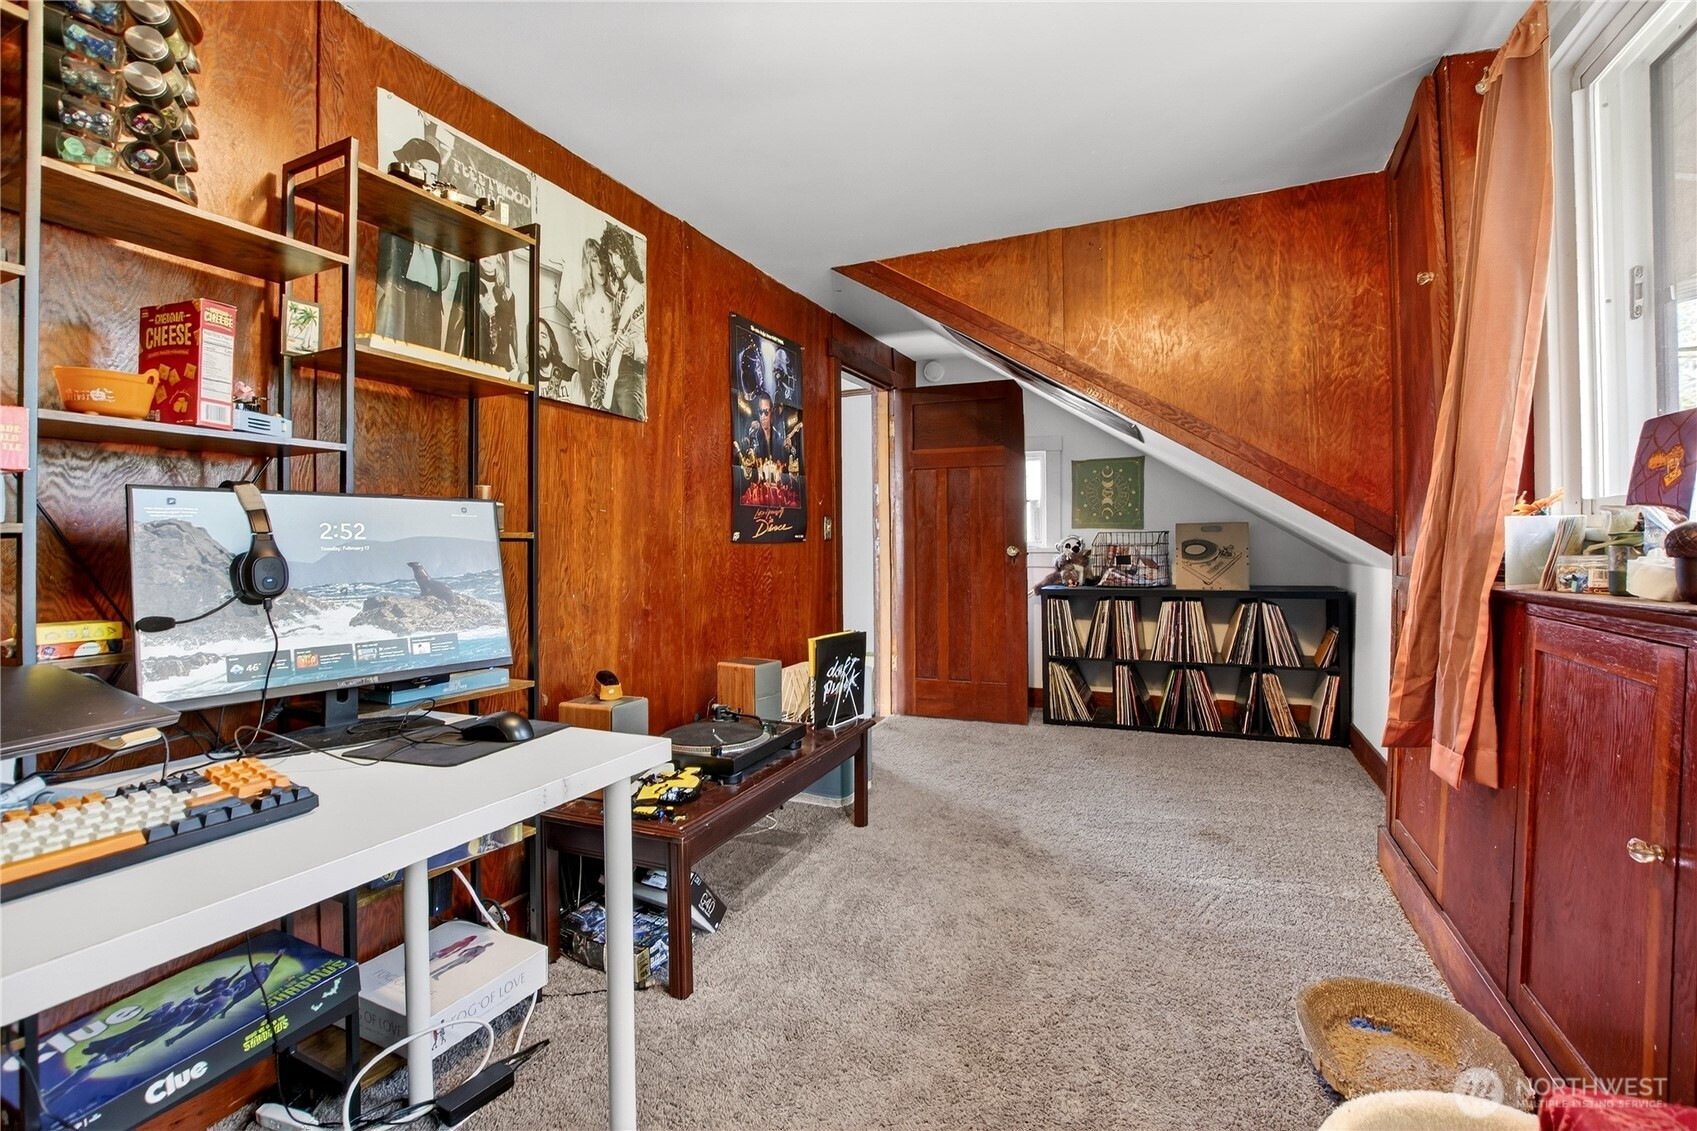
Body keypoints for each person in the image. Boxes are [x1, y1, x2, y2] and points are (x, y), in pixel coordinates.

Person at [376, 124, 456, 348]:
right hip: (403, 298)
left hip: (430, 305)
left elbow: (442, 283)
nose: (427, 180)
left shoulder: (438, 225)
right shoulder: (395, 209)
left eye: (434, 175)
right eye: (421, 169)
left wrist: (446, 248)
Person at [598, 223, 646, 419]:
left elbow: (654, 349)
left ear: (626, 254)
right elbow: (614, 336)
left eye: (616, 254)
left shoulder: (642, 295)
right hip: (613, 376)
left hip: (631, 376)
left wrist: (633, 348)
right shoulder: (620, 297)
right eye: (610, 256)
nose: (614, 261)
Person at [564, 238, 612, 406]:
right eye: (594, 260)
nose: (600, 267)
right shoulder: (582, 298)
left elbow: (614, 335)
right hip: (590, 369)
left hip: (611, 369)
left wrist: (601, 346)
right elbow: (586, 352)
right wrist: (579, 334)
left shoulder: (614, 298)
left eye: (603, 260)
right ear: (587, 265)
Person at [536, 320, 582, 404]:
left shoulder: (572, 377)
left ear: (552, 344)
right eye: (535, 337)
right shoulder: (527, 379)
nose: (539, 342)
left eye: (543, 336)